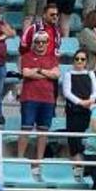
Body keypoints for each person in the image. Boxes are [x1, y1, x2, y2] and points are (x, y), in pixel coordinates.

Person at [19, 31, 61, 170]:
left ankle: (39, 161)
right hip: (30, 97)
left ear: (48, 43)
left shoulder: (52, 58)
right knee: (26, 128)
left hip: (47, 99)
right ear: (33, 43)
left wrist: (39, 71)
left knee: (43, 131)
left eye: (43, 42)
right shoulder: (27, 56)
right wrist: (46, 74)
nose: (40, 44)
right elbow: (26, 73)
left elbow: (56, 75)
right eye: (38, 42)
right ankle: (19, 159)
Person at [62, 50, 96, 163]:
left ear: (86, 62)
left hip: (88, 109)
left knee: (85, 134)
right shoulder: (68, 74)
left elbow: (95, 92)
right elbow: (67, 93)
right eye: (77, 59)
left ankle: (85, 160)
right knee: (73, 136)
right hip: (73, 109)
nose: (79, 61)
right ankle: (76, 160)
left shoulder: (90, 74)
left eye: (82, 59)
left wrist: (90, 100)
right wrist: (80, 102)